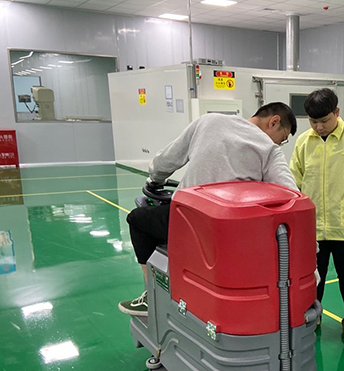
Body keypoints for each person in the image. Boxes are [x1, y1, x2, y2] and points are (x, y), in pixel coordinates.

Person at [118, 102, 298, 316]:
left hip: (187, 224)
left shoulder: (208, 122)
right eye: (282, 138)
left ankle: (153, 296)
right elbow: (292, 197)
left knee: (137, 219)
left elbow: (164, 162)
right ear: (274, 122)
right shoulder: (270, 150)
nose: (279, 143)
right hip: (234, 236)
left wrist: (156, 178)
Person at [289, 88, 344, 342]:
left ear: (336, 113)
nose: (319, 127)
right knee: (313, 276)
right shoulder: (304, 142)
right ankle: (314, 314)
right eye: (313, 122)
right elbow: (294, 181)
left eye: (324, 121)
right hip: (313, 227)